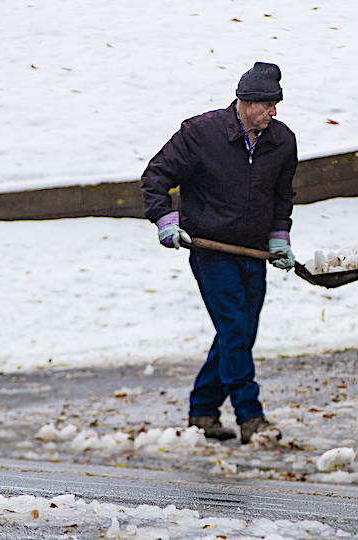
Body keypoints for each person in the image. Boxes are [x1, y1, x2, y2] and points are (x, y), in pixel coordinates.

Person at [140, 62, 297, 445]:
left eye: (276, 104)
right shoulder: (201, 134)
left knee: (240, 333)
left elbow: (282, 196)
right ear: (245, 101)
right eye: (267, 104)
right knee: (234, 331)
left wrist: (279, 237)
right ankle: (251, 417)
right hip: (211, 251)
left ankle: (203, 410)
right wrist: (165, 219)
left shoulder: (282, 141)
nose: (274, 111)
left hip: (255, 251)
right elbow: (156, 176)